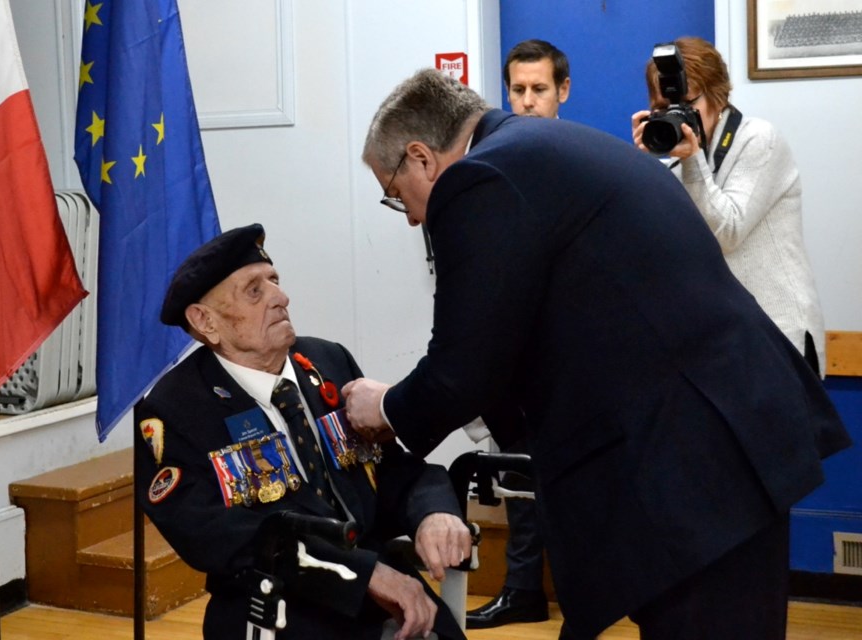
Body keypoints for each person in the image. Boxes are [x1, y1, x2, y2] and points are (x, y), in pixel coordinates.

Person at [342, 68, 850, 639]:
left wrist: (386, 408)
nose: (411, 216)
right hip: (724, 441)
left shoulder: (480, 179)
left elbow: (465, 367)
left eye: (395, 195)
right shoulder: (557, 146)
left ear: (421, 158)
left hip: (689, 467)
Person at [136, 223, 471, 640]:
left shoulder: (327, 361)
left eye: (274, 281)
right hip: (276, 602)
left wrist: (434, 511)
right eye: (254, 291)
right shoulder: (176, 409)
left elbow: (393, 470)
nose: (281, 297)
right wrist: (360, 575)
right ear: (205, 322)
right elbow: (214, 536)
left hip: (384, 586)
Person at [631, 36, 825, 375]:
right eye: (663, 107)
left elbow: (727, 232)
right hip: (720, 342)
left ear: (718, 94)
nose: (677, 115)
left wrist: (691, 160)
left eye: (687, 102)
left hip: (778, 337)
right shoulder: (677, 165)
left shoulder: (758, 139)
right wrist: (640, 165)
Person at [464, 38, 571, 631]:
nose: (527, 102)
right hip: (511, 356)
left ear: (562, 93)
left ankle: (588, 597)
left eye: (539, 90)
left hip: (570, 356)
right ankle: (523, 591)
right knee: (520, 478)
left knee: (580, 484)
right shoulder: (487, 166)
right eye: (518, 90)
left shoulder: (581, 160)